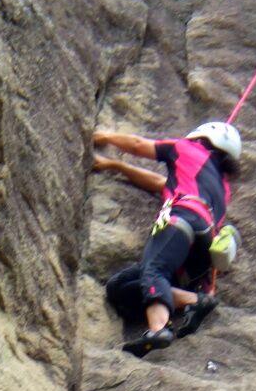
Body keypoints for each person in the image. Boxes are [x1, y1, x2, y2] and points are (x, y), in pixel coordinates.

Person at [92, 121, 241, 357]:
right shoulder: (223, 188)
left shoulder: (185, 148)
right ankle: (192, 299)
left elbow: (138, 144)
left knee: (154, 267)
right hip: (203, 250)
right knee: (119, 287)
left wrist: (106, 137)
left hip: (183, 220)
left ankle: (159, 329)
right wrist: (116, 166)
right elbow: (159, 183)